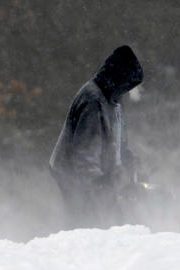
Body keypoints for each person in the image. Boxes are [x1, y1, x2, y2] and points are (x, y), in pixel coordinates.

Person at [50, 45, 144, 228]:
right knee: (87, 221)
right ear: (119, 77)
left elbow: (119, 141)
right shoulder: (92, 102)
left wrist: (130, 164)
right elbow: (84, 155)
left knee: (107, 216)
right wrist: (100, 185)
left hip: (96, 171)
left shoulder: (113, 100)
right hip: (72, 172)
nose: (129, 91)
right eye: (128, 84)